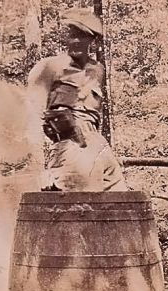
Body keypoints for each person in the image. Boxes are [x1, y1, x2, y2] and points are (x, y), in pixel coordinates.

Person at [27, 8, 127, 192]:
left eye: (81, 36)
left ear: (92, 40)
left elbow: (96, 113)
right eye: (72, 35)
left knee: (122, 202)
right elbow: (33, 109)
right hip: (70, 146)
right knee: (78, 207)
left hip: (99, 146)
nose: (75, 41)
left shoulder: (97, 70)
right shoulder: (50, 67)